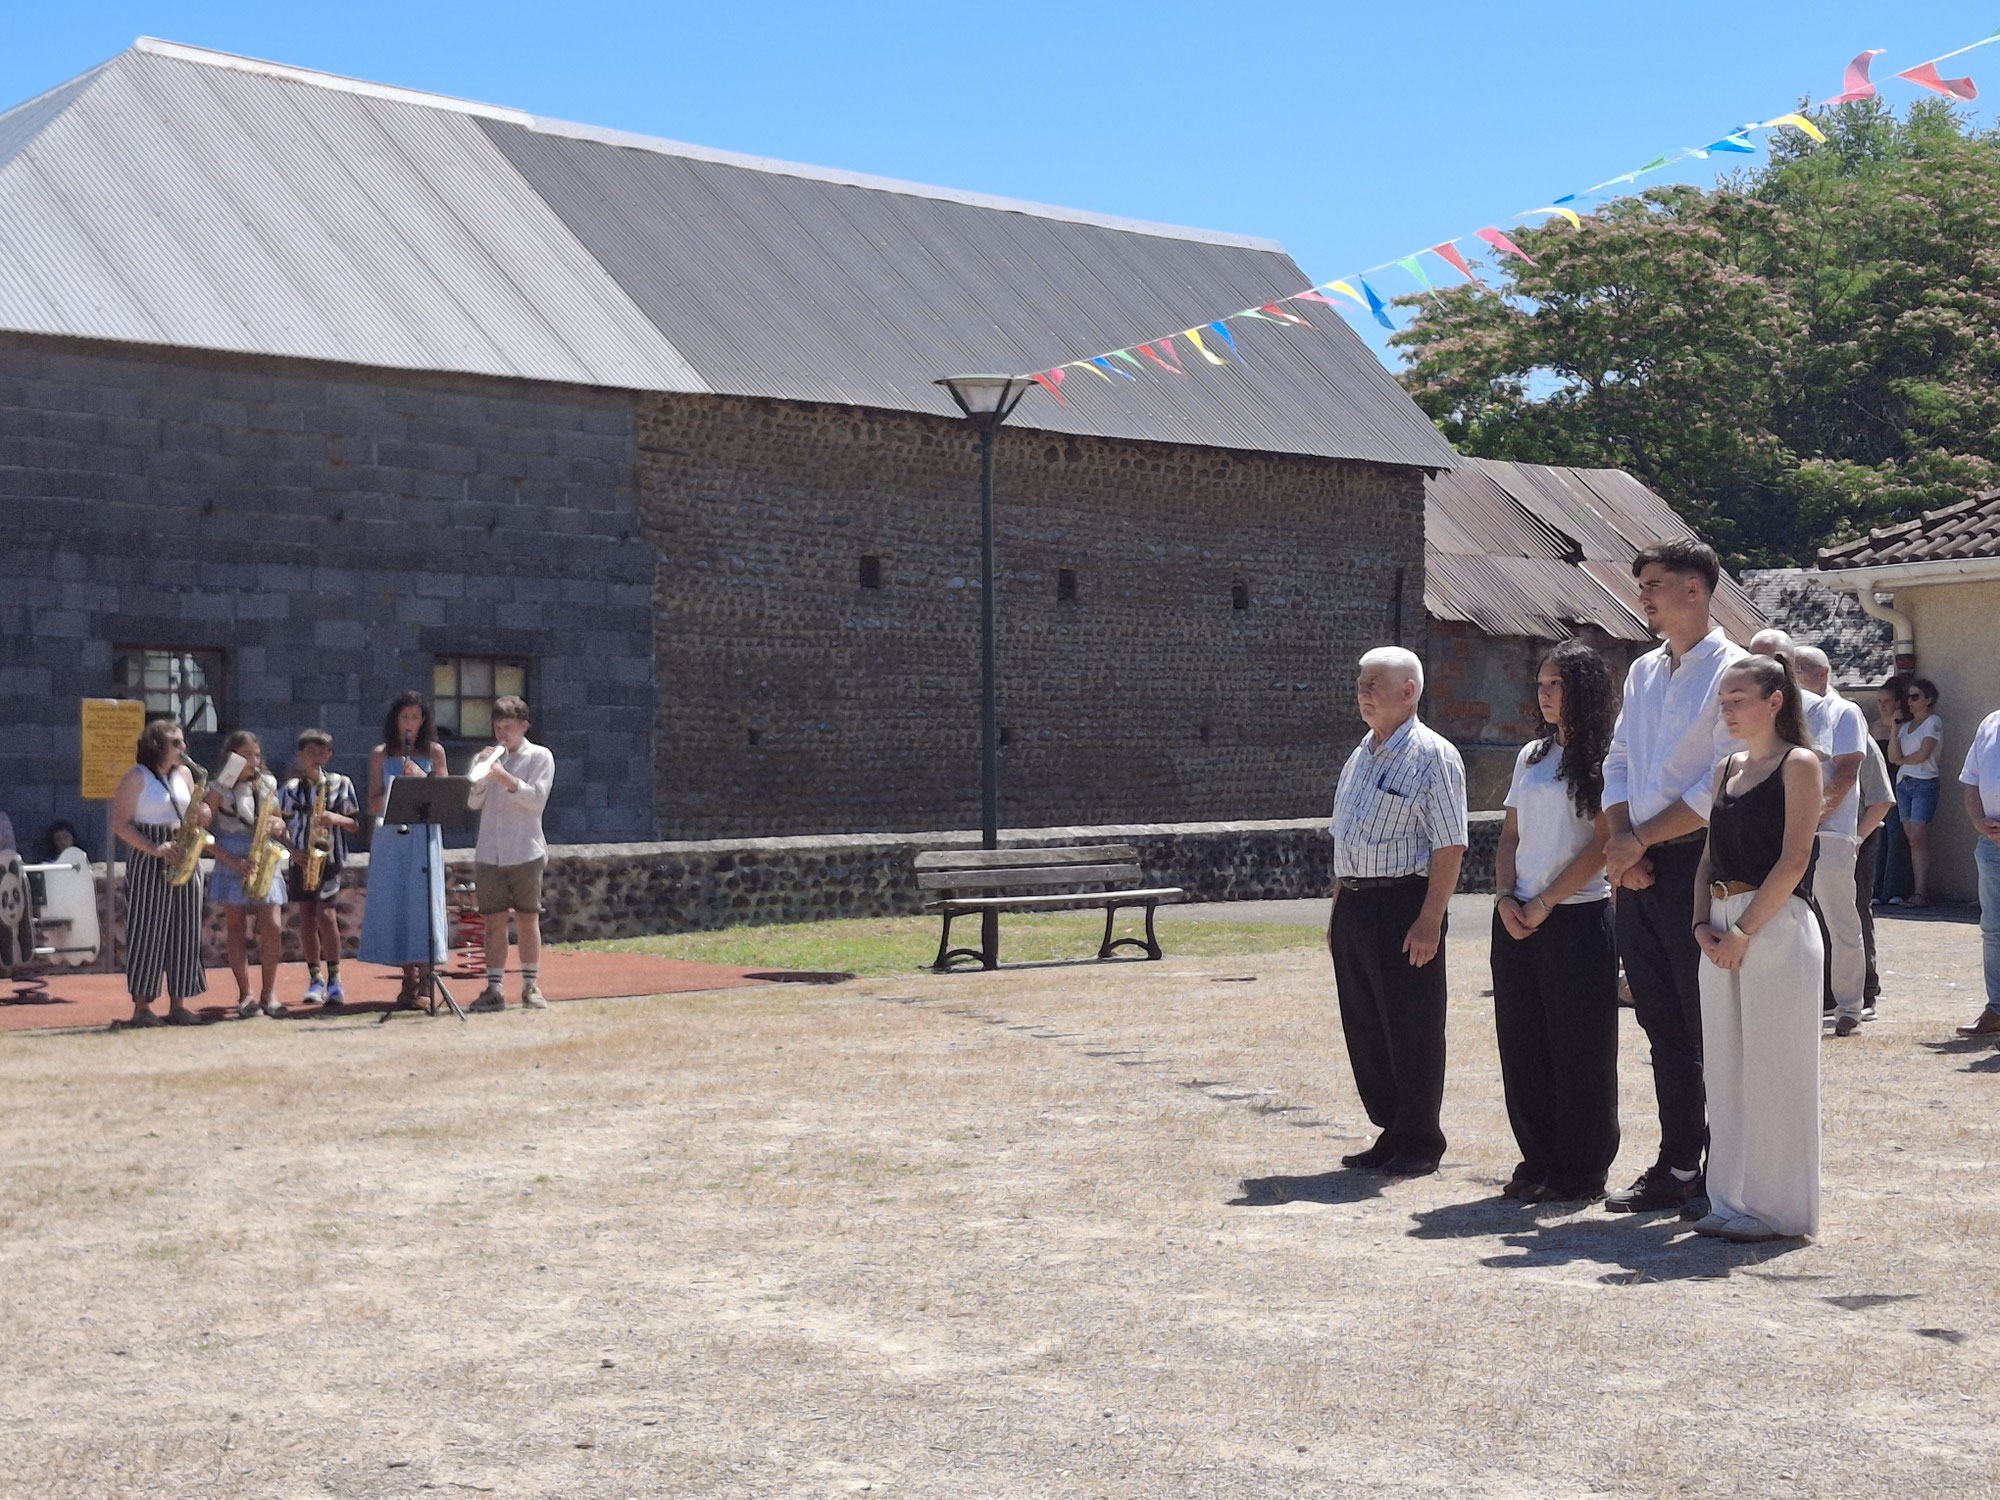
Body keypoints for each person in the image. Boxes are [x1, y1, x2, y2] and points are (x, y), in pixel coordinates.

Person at [1600, 539, 1746, 1218]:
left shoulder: (1737, 671)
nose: (1644, 598)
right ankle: (1677, 1160)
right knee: (1660, 1022)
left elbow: (1719, 779)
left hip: (1700, 862)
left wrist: (1638, 842)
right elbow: (1621, 757)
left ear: (1695, 588)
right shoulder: (1644, 672)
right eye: (1641, 587)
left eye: (1654, 585)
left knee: (1706, 1022)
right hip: (1640, 864)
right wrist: (1623, 844)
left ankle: (1727, 1168)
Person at [1689, 654, 1825, 1242]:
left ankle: (1780, 1210)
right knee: (1725, 1066)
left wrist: (1744, 932)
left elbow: (1795, 857)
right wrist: (1701, 925)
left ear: (1774, 701)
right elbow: (1707, 856)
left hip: (1776, 923)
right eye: (1724, 700)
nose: (1729, 709)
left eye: (1738, 698)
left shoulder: (1800, 764)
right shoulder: (1725, 769)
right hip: (1720, 921)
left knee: (1776, 1067)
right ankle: (1730, 1198)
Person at [1328, 646, 1468, 1177]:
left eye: (1373, 684)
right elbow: (1346, 837)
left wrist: (1430, 918)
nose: (1362, 691)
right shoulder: (1361, 754)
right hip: (1357, 903)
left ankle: (1420, 1139)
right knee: (1365, 1024)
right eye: (1361, 681)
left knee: (1412, 1025)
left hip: (1406, 901)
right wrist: (1338, 913)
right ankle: (1390, 1128)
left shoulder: (1433, 755)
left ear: (1408, 692)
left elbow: (1449, 846)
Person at [1490, 640, 1620, 1203]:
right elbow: (1511, 836)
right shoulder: (1531, 757)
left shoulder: (1606, 759)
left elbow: (1603, 845)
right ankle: (1537, 1158)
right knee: (1524, 1045)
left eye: (1555, 685)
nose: (1543, 696)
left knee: (1580, 1050)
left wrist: (1544, 903)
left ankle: (1580, 1169)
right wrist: (1504, 897)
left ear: (1583, 691)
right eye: (1540, 685)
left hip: (1577, 915)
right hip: (1517, 916)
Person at [1790, 646, 1870, 1036]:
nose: (1792, 676)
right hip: (1794, 831)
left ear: (1822, 674)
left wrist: (1811, 818)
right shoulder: (1788, 711)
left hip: (1830, 832)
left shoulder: (1844, 711)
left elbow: (1846, 772)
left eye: (1798, 669)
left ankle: (1850, 1007)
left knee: (1840, 922)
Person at [108, 718, 210, 1026]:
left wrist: (203, 812)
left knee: (185, 930)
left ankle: (178, 1003)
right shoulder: (136, 777)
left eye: (183, 742)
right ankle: (142, 1007)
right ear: (157, 747)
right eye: (176, 743)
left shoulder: (185, 775)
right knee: (148, 929)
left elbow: (197, 813)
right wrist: (155, 849)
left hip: (183, 851)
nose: (183, 748)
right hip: (149, 853)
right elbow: (120, 824)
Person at [466, 695, 556, 1013]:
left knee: (528, 918)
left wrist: (504, 777)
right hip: (490, 850)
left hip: (525, 849)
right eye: (497, 727)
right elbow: (473, 803)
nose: (502, 734)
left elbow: (535, 801)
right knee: (493, 921)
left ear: (523, 726)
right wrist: (482, 775)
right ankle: (494, 989)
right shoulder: (488, 758)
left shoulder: (540, 757)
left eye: (508, 727)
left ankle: (530, 987)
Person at [359, 692, 449, 1004]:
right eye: (405, 717)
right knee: (398, 902)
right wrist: (398, 789)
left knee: (422, 904)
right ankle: (407, 981)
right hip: (391, 838)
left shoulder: (434, 752)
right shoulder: (380, 754)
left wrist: (422, 778)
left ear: (424, 721)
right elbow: (371, 802)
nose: (410, 723)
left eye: (416, 717)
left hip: (423, 838)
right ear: (395, 720)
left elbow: (445, 796)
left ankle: (427, 981)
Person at [204, 731, 288, 1018]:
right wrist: (229, 859)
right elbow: (200, 829)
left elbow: (279, 819)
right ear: (231, 757)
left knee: (273, 926)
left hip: (263, 854)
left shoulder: (267, 783)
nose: (253, 761)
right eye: (245, 755)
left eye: (256, 755)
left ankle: (269, 992)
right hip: (232, 854)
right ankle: (245, 994)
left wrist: (276, 826)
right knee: (236, 928)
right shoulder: (219, 787)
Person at [278, 729, 361, 1008]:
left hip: (330, 859)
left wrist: (333, 817)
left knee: (326, 915)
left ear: (329, 755)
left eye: (321, 752)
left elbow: (354, 824)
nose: (315, 757)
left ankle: (335, 979)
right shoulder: (290, 790)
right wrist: (293, 850)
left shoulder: (342, 784)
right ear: (300, 755)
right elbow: (278, 827)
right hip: (301, 859)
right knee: (307, 917)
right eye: (309, 752)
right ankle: (315, 979)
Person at [1954, 706, 2000, 1040]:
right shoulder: (1990, 723)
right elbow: (1971, 780)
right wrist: (1978, 823)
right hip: (1991, 843)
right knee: (1994, 929)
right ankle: (1997, 1009)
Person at [1887, 678, 1943, 907]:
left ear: (1928, 699)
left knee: (1918, 837)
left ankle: (1921, 892)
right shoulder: (1905, 727)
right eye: (1908, 697)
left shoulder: (1934, 722)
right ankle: (1915, 889)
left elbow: (1924, 754)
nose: (1910, 701)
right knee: (1911, 839)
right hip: (1904, 784)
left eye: (1915, 696)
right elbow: (1892, 756)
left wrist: (1902, 760)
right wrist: (1894, 727)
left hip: (1924, 783)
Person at [1852, 732, 1896, 1021]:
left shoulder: (1861, 740)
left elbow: (1881, 800)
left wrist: (1855, 840)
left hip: (1858, 836)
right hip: (1813, 838)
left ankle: (1866, 988)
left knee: (1855, 910)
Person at [1870, 679, 1912, 904]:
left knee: (1897, 837)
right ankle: (1876, 890)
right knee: (1879, 837)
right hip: (1878, 785)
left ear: (1897, 702)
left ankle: (1895, 890)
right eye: (1879, 702)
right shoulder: (1873, 728)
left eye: (1887, 701)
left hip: (1900, 784)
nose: (1882, 706)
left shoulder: (1904, 727)